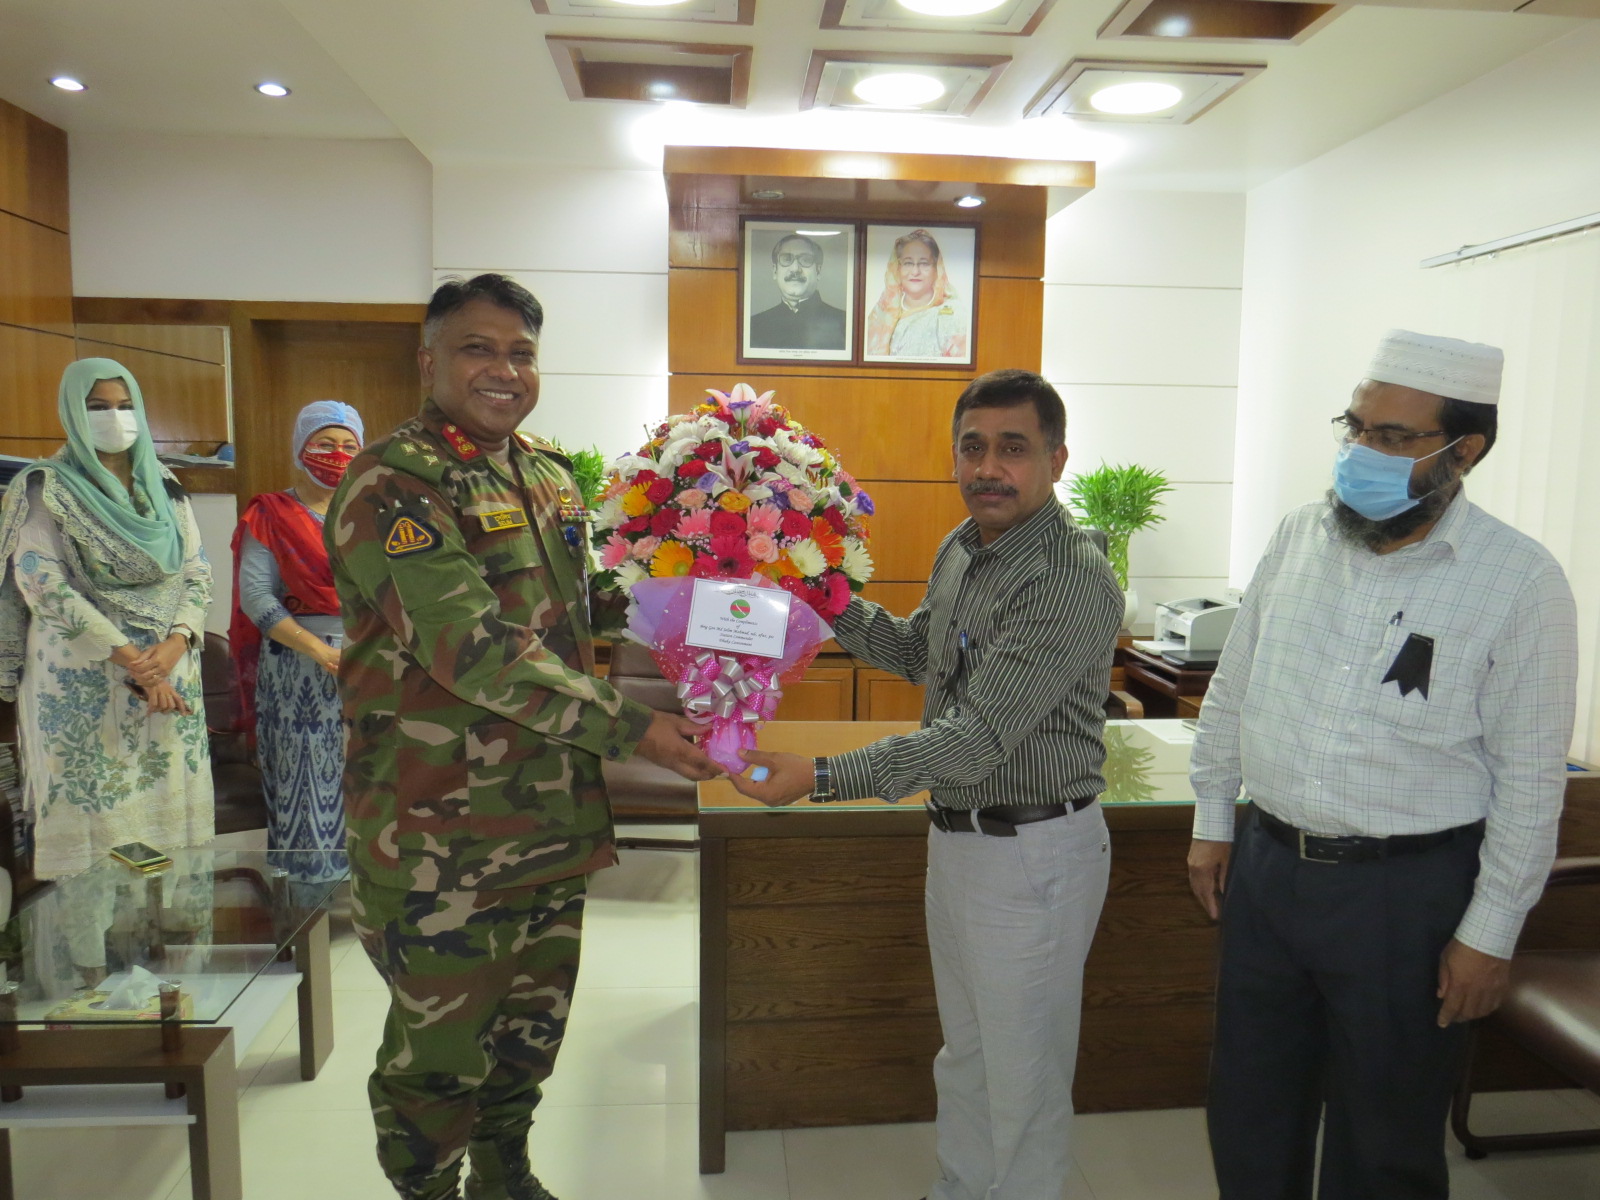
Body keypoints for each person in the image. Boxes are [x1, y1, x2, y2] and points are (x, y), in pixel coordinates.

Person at [326, 273, 720, 1200]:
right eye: (478, 348)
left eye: (521, 353)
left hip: (548, 819)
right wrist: (636, 728)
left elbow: (585, 611)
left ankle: (506, 1179)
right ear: (429, 360)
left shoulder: (545, 473)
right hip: (440, 835)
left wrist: (717, 614)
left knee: (526, 1039)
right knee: (438, 1062)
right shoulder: (395, 481)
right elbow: (473, 649)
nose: (503, 370)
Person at [1187, 329, 1578, 1200]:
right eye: (1356, 427)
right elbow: (1234, 687)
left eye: (1393, 437)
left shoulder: (1520, 582)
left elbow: (1529, 785)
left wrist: (1489, 935)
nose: (1361, 452)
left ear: (1464, 450)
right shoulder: (1299, 537)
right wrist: (1214, 820)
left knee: (1385, 1139)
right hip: (1268, 870)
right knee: (1250, 1107)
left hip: (1406, 898)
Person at [730, 369, 1123, 1200]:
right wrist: (816, 589)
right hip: (960, 841)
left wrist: (821, 777)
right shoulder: (963, 546)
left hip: (1032, 852)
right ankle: (959, 1187)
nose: (989, 468)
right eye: (972, 448)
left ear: (1056, 459)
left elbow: (974, 740)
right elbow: (918, 652)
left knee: (1023, 1076)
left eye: (1013, 449)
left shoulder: (1068, 574)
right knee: (968, 1053)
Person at [0, 358, 214, 879]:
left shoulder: (164, 484)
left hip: (170, 670)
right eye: (98, 407)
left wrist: (177, 642)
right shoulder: (44, 487)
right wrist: (137, 662)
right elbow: (43, 585)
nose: (114, 418)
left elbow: (196, 569)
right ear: (73, 412)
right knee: (95, 831)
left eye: (125, 405)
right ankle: (88, 936)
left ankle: (169, 929)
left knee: (170, 838)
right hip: (82, 677)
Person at [229, 400, 364, 882]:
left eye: (349, 445)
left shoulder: (373, 514)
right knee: (306, 789)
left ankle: (369, 901)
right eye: (324, 443)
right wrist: (319, 650)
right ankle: (309, 902)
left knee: (369, 786)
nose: (337, 454)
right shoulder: (271, 513)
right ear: (300, 447)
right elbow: (257, 597)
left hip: (368, 668)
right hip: (298, 672)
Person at [865, 229, 968, 360]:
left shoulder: (953, 315)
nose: (915, 271)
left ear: (936, 268)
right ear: (897, 268)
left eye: (924, 263)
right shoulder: (881, 315)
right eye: (908, 263)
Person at [748, 233, 848, 351]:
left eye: (805, 260)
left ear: (818, 271)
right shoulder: (754, 325)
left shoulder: (844, 323)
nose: (795, 269)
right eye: (786, 259)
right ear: (775, 271)